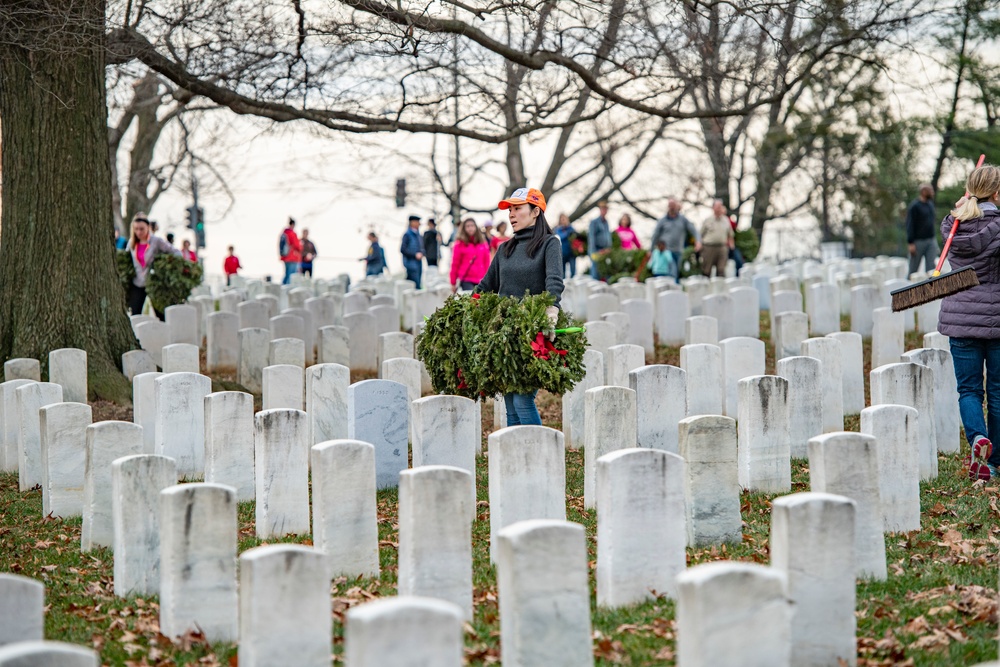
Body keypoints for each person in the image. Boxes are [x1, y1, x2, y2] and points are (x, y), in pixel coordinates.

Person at [476, 187, 563, 426]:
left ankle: (538, 455)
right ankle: (517, 460)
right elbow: (486, 286)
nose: (511, 215)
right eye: (510, 210)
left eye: (517, 209)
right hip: (505, 334)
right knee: (510, 401)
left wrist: (551, 310)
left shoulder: (549, 244)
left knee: (523, 398)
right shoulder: (505, 249)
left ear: (535, 211)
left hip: (534, 331)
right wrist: (464, 309)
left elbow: (554, 281)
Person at [938, 164, 1000, 481]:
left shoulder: (953, 226)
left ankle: (978, 439)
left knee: (969, 391)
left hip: (960, 317)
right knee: (999, 392)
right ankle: (995, 462)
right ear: (997, 192)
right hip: (996, 319)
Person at [125, 212, 181, 317]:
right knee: (135, 313)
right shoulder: (131, 243)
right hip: (137, 283)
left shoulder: (156, 241)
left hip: (154, 282)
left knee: (160, 313)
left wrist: (167, 262)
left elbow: (176, 252)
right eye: (136, 229)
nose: (139, 232)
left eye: (141, 229)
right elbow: (126, 260)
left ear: (148, 227)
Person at [651, 198, 702, 282]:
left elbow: (693, 230)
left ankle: (675, 289)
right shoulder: (662, 221)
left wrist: (698, 241)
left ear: (677, 207)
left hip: (678, 251)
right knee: (672, 272)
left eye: (673, 206)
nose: (672, 208)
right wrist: (652, 250)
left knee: (676, 272)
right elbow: (655, 235)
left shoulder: (683, 220)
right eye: (670, 206)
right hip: (666, 251)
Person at [449, 217, 491, 292]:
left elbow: (486, 262)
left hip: (480, 279)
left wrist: (488, 279)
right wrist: (453, 282)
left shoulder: (483, 244)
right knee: (471, 301)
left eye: (472, 226)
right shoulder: (459, 244)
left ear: (476, 227)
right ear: (464, 228)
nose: (470, 228)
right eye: (467, 226)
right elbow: (455, 264)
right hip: (466, 279)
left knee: (480, 302)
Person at [907, 183, 939, 276]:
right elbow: (910, 224)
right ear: (924, 192)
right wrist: (910, 242)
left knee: (931, 268)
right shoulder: (914, 206)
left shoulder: (930, 204)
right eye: (930, 191)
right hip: (918, 242)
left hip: (931, 240)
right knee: (913, 269)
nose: (932, 193)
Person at [699, 199, 734, 277]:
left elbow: (730, 235)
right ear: (713, 208)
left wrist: (731, 247)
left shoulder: (726, 220)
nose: (719, 208)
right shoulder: (707, 220)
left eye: (720, 207)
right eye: (717, 207)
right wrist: (699, 245)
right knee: (706, 270)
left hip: (722, 247)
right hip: (709, 247)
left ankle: (720, 288)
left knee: (721, 270)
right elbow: (700, 234)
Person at [588, 199, 612, 278]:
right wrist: (593, 252)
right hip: (597, 250)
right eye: (603, 208)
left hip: (605, 250)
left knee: (606, 271)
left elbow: (608, 236)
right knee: (595, 271)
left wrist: (609, 247)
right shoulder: (594, 222)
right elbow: (592, 237)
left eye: (605, 209)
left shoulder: (606, 222)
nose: (604, 210)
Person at [400, 214, 425, 288]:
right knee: (414, 284)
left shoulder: (418, 235)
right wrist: (415, 254)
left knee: (418, 283)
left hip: (418, 263)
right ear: (412, 222)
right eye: (417, 222)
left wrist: (422, 253)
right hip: (411, 264)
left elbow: (422, 248)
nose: (419, 224)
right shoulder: (407, 235)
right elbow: (403, 249)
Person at [279, 217, 302, 285]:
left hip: (285, 256)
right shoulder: (292, 233)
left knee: (287, 273)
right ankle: (287, 289)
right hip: (292, 257)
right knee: (291, 275)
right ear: (293, 224)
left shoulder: (284, 233)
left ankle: (283, 287)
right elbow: (297, 246)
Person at [553, 213, 576, 278]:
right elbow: (561, 236)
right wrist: (568, 233)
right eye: (562, 219)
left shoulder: (571, 228)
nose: (564, 221)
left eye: (565, 219)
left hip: (571, 253)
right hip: (562, 253)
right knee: (562, 273)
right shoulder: (558, 229)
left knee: (573, 271)